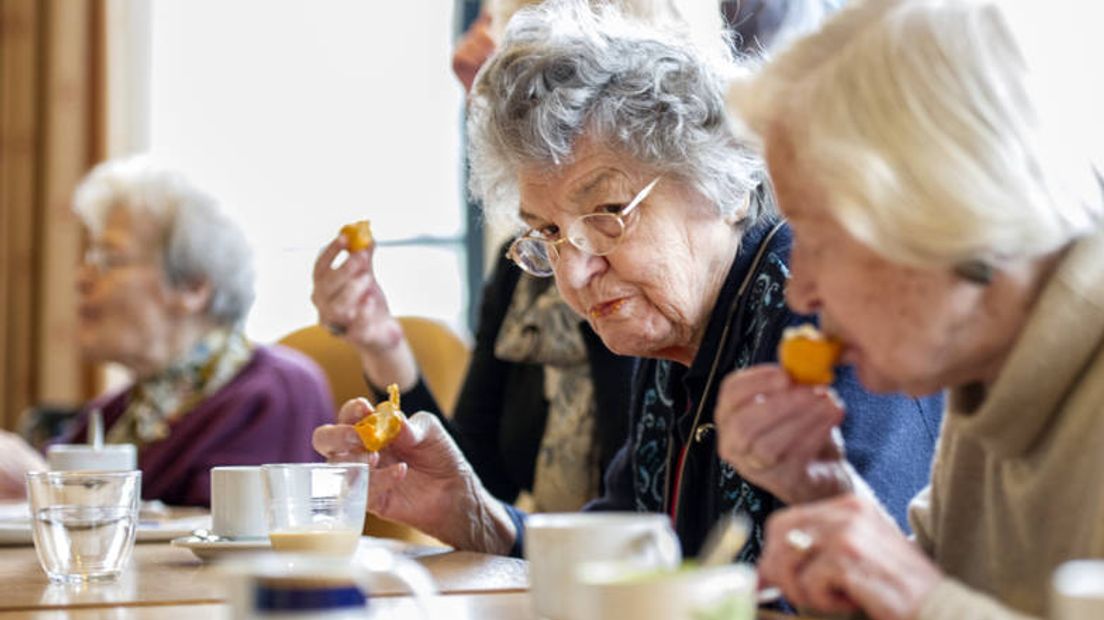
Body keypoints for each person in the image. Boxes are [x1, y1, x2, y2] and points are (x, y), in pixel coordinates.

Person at [314, 0, 942, 561]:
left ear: (721, 181)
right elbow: (625, 543)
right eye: (549, 234)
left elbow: (849, 586)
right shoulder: (672, 336)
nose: (576, 271)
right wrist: (475, 515)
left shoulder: (826, 315)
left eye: (608, 213)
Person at [721, 0, 1104, 617]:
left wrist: (920, 600)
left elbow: (931, 603)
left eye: (819, 240)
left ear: (949, 206)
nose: (800, 293)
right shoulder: (988, 357)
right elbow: (941, 590)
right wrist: (824, 493)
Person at [0, 157, 335, 507]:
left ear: (193, 287)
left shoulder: (275, 393)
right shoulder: (125, 408)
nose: (82, 279)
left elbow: (224, 541)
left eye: (108, 260)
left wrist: (48, 493)